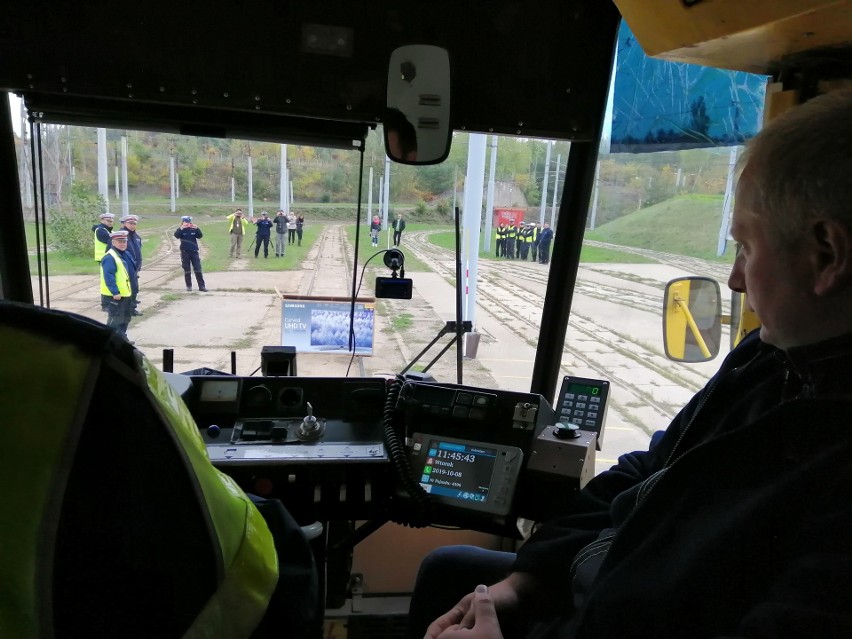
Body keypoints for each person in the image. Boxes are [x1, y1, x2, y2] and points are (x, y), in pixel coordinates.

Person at [409, 88, 852, 639]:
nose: (736, 280)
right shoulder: (765, 361)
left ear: (825, 256)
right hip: (598, 586)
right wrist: (524, 581)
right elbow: (648, 469)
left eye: (744, 247)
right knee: (449, 570)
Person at [99, 229, 138, 339]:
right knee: (115, 320)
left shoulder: (124, 253)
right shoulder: (110, 257)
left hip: (125, 293)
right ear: (113, 242)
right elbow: (109, 276)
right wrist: (115, 292)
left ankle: (121, 339)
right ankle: (107, 341)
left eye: (124, 241)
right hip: (116, 295)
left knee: (125, 318)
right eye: (119, 241)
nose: (122, 244)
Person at [174, 216, 207, 292]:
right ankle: (189, 286)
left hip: (194, 252)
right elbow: (176, 235)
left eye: (188, 222)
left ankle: (201, 286)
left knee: (198, 269)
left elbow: (200, 236)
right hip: (185, 252)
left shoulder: (193, 229)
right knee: (187, 270)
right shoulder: (181, 230)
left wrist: (197, 228)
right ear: (182, 222)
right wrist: (181, 228)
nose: (187, 224)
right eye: (185, 222)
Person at [119, 214, 143, 316]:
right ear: (124, 223)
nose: (132, 225)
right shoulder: (120, 236)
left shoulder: (136, 237)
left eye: (134, 223)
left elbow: (138, 251)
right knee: (128, 289)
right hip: (125, 267)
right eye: (130, 223)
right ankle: (127, 310)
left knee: (134, 289)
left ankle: (131, 309)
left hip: (135, 268)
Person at [93, 212, 115, 310]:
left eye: (111, 221)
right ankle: (105, 304)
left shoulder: (108, 230)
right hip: (103, 258)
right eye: (108, 221)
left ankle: (109, 302)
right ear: (102, 220)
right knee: (105, 281)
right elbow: (110, 241)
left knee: (110, 279)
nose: (110, 223)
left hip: (108, 258)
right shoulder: (100, 230)